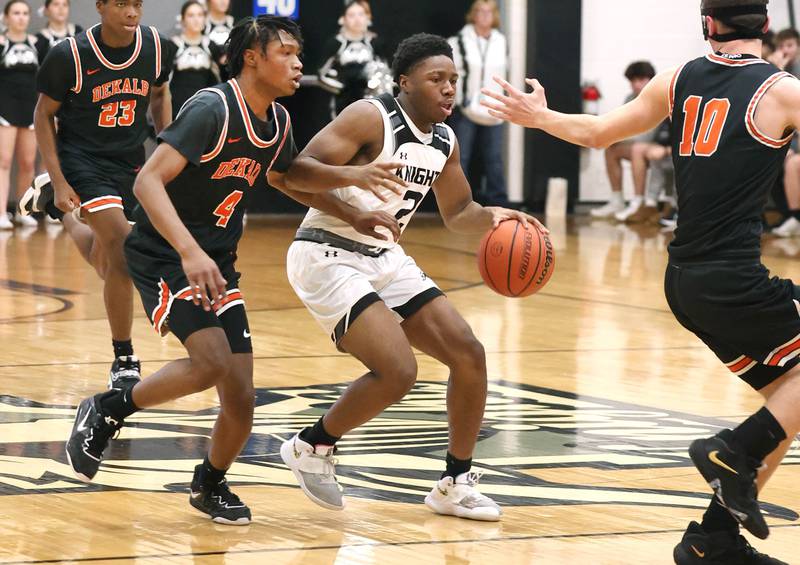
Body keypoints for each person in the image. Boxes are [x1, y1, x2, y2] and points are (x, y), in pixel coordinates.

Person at [482, 0, 800, 562]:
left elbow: (602, 131)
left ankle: (713, 539)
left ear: (708, 24)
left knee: (785, 399)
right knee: (763, 428)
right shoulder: (781, 90)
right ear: (767, 25)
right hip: (731, 278)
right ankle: (735, 453)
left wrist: (540, 117)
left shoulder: (678, 78)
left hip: (683, 279)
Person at [279, 33, 542, 521]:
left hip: (384, 254)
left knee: (468, 353)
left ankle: (454, 483)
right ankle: (311, 446)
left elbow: (459, 210)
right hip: (326, 252)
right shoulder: (369, 116)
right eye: (436, 79)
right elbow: (296, 173)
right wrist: (353, 194)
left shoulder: (444, 139)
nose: (448, 90)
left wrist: (499, 218)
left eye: (454, 81)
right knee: (399, 371)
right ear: (404, 82)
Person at [21, 0, 175, 387]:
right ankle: (124, 357)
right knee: (124, 248)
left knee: (109, 265)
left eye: (137, 4)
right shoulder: (69, 55)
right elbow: (43, 115)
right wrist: (59, 180)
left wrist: (168, 149)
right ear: (101, 6)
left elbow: (159, 94)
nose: (132, 12)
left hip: (130, 159)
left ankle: (61, 214)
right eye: (122, 4)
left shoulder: (157, 47)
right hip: (82, 160)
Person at [448, 0, 509, 207]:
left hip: (494, 108)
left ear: (494, 15)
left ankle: (498, 202)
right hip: (465, 108)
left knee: (494, 158)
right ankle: (457, 203)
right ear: (473, 14)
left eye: (488, 12)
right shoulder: (458, 41)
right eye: (480, 11)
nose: (484, 15)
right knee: (460, 157)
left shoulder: (501, 41)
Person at [589, 61, 657, 220]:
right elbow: (621, 125)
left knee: (637, 149)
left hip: (657, 144)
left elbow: (649, 134)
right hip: (637, 143)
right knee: (611, 149)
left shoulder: (657, 96)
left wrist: (618, 136)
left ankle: (638, 201)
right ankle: (617, 199)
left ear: (651, 79)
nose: (636, 84)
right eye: (632, 81)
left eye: (640, 80)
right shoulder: (630, 98)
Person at [0, 0, 46, 229]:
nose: (21, 17)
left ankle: (22, 210)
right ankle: (0, 213)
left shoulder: (37, 43)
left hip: (30, 108)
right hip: (5, 108)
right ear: (6, 17)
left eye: (25, 13)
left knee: (28, 163)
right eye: (16, 13)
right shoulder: (1, 42)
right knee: (4, 161)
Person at [318, 0, 387, 118]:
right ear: (343, 19)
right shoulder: (335, 43)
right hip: (343, 104)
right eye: (351, 15)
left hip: (371, 104)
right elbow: (321, 75)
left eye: (361, 14)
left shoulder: (375, 43)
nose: (357, 19)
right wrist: (343, 88)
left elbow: (386, 73)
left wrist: (373, 88)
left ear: (368, 18)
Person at [170, 0, 222, 118]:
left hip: (206, 111)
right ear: (182, 20)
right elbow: (163, 84)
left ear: (205, 18)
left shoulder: (211, 47)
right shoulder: (173, 46)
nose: (196, 19)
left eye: (200, 15)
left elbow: (221, 79)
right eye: (191, 15)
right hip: (177, 113)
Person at [203, 0, 231, 80]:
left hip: (230, 78)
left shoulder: (236, 24)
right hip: (205, 79)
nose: (223, 1)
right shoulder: (199, 25)